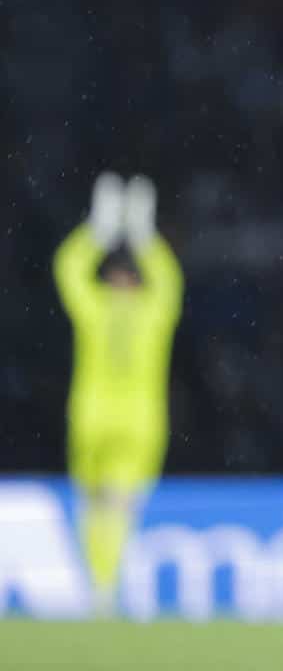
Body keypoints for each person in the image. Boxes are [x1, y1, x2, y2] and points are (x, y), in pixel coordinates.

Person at [54, 172, 183, 613]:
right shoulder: (150, 310)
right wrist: (142, 237)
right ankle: (102, 585)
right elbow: (168, 280)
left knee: (104, 501)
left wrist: (99, 232)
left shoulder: (103, 306)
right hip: (131, 417)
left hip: (97, 413)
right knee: (110, 503)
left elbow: (69, 268)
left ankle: (103, 586)